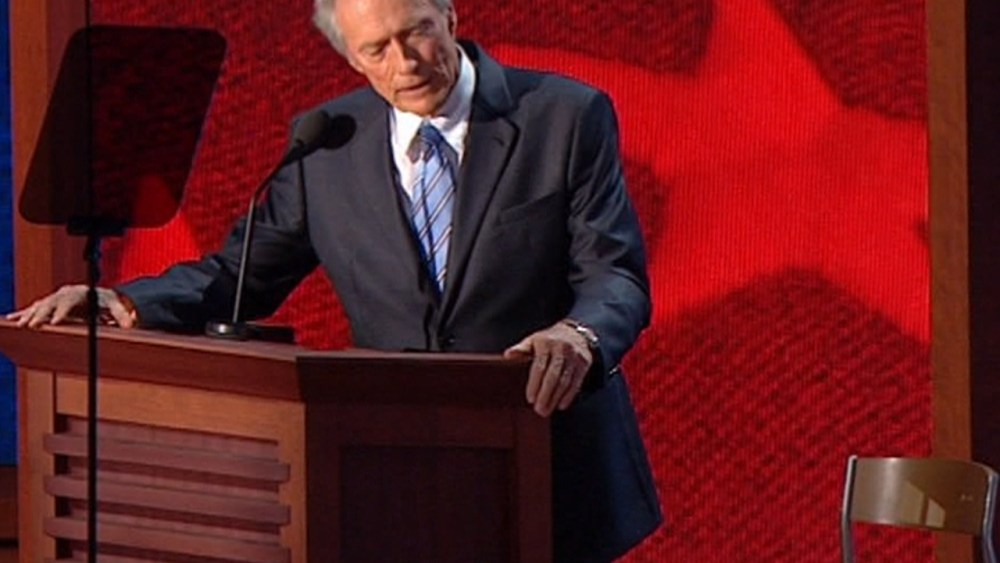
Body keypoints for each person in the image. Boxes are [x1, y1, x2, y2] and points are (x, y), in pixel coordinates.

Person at [8, 0, 663, 559]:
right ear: (352, 58)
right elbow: (239, 276)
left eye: (417, 32)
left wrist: (579, 335)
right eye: (377, 49)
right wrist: (125, 302)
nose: (405, 62)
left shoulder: (564, 115)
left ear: (450, 16)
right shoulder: (328, 144)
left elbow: (615, 274)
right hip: (390, 472)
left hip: (547, 462)